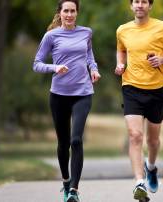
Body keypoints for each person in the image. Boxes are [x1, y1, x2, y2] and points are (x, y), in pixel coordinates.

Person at [115, 0, 163, 200]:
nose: (140, 5)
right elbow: (121, 49)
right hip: (131, 87)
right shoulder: (123, 30)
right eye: (136, 1)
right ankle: (139, 182)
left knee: (153, 141)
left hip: (156, 89)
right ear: (131, 5)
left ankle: (151, 167)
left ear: (150, 6)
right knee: (135, 135)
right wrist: (120, 64)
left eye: (144, 1)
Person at [33, 0, 101, 201]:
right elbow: (36, 64)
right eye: (66, 11)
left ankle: (74, 190)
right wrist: (54, 68)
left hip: (83, 92)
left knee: (76, 140)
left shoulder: (86, 32)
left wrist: (94, 69)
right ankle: (65, 181)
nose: (69, 15)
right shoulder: (51, 36)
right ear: (60, 13)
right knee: (63, 143)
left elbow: (89, 55)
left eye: (73, 11)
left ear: (77, 13)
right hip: (59, 95)